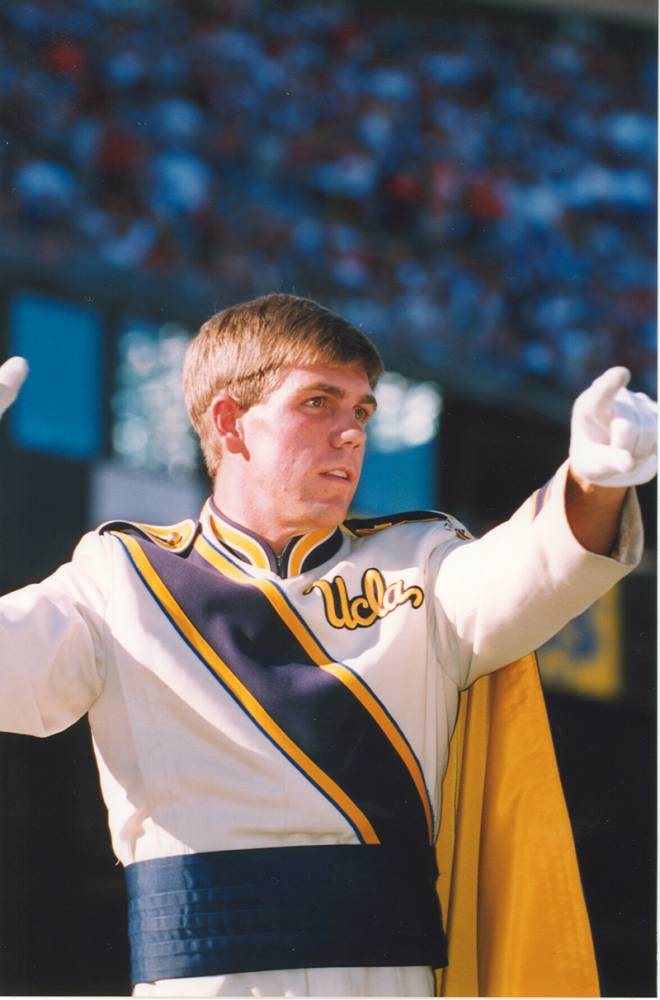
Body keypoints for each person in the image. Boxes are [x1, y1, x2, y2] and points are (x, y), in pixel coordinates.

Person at [0, 293, 655, 998]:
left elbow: (533, 569)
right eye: (319, 402)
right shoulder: (117, 576)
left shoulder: (423, 559)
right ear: (230, 422)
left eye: (362, 411)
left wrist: (594, 479)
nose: (352, 433)